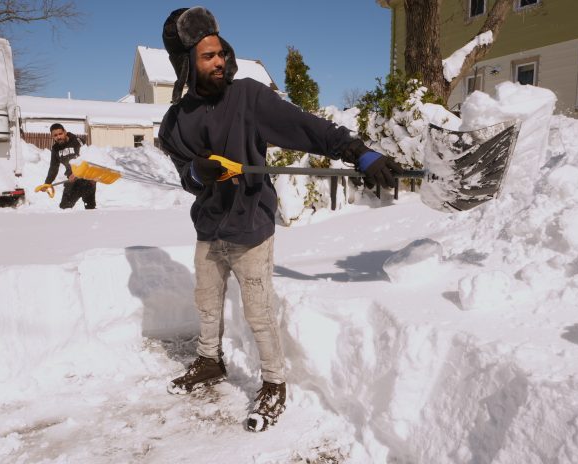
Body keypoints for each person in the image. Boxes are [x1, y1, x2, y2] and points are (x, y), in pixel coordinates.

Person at [158, 6, 403, 432]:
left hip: (250, 225)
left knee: (258, 311)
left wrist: (358, 152)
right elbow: (185, 176)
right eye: (207, 56)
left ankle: (274, 382)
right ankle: (209, 361)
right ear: (186, 65)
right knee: (206, 303)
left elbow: (305, 127)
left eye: (221, 52)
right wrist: (198, 172)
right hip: (209, 226)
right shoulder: (175, 121)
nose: (219, 61)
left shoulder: (248, 97)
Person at [42, 123, 96, 209]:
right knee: (64, 207)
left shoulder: (78, 141)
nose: (58, 137)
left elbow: (88, 159)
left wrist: (77, 173)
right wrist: (47, 183)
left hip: (87, 179)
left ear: (65, 132)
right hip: (72, 182)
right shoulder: (55, 149)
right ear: (52, 136)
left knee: (90, 208)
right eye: (55, 135)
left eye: (60, 134)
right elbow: (53, 168)